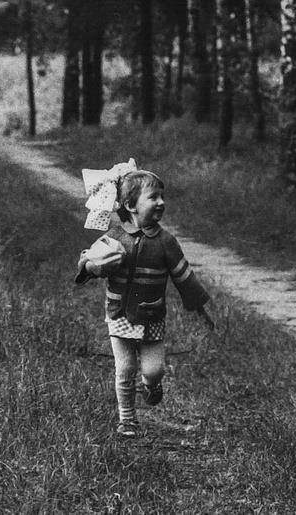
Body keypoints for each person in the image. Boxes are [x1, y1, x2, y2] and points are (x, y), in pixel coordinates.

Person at [76, 166, 214, 438]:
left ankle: (151, 385)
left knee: (153, 370)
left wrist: (200, 308)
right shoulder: (115, 237)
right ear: (131, 206)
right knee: (125, 369)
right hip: (119, 315)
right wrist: (91, 266)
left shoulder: (166, 242)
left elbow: (184, 276)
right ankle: (127, 419)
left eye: (162, 197)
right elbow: (88, 260)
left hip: (152, 316)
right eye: (153, 197)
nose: (161, 202)